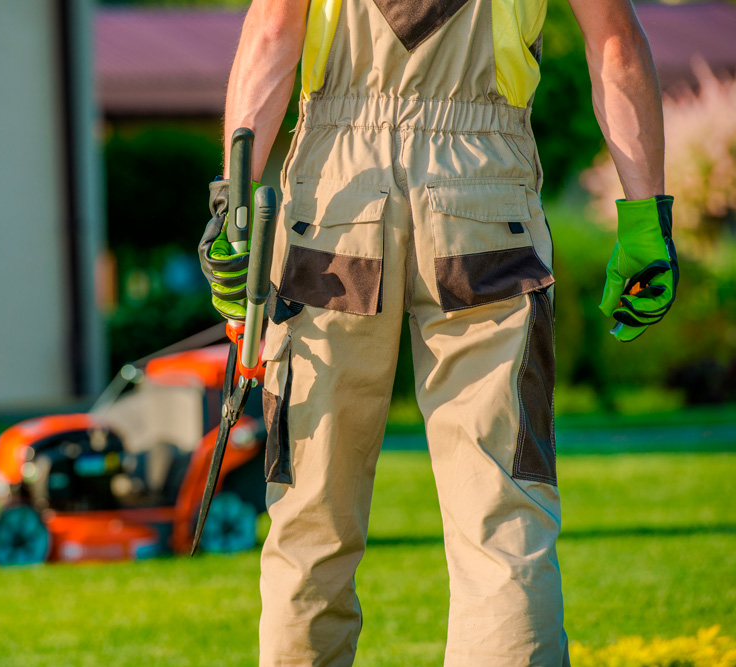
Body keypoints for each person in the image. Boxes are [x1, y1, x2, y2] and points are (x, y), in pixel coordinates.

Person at [198, 0, 679, 664]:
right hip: (483, 195)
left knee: (310, 521)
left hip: (337, 200)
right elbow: (615, 42)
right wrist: (645, 217)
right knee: (502, 515)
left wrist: (233, 204)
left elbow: (274, 31)